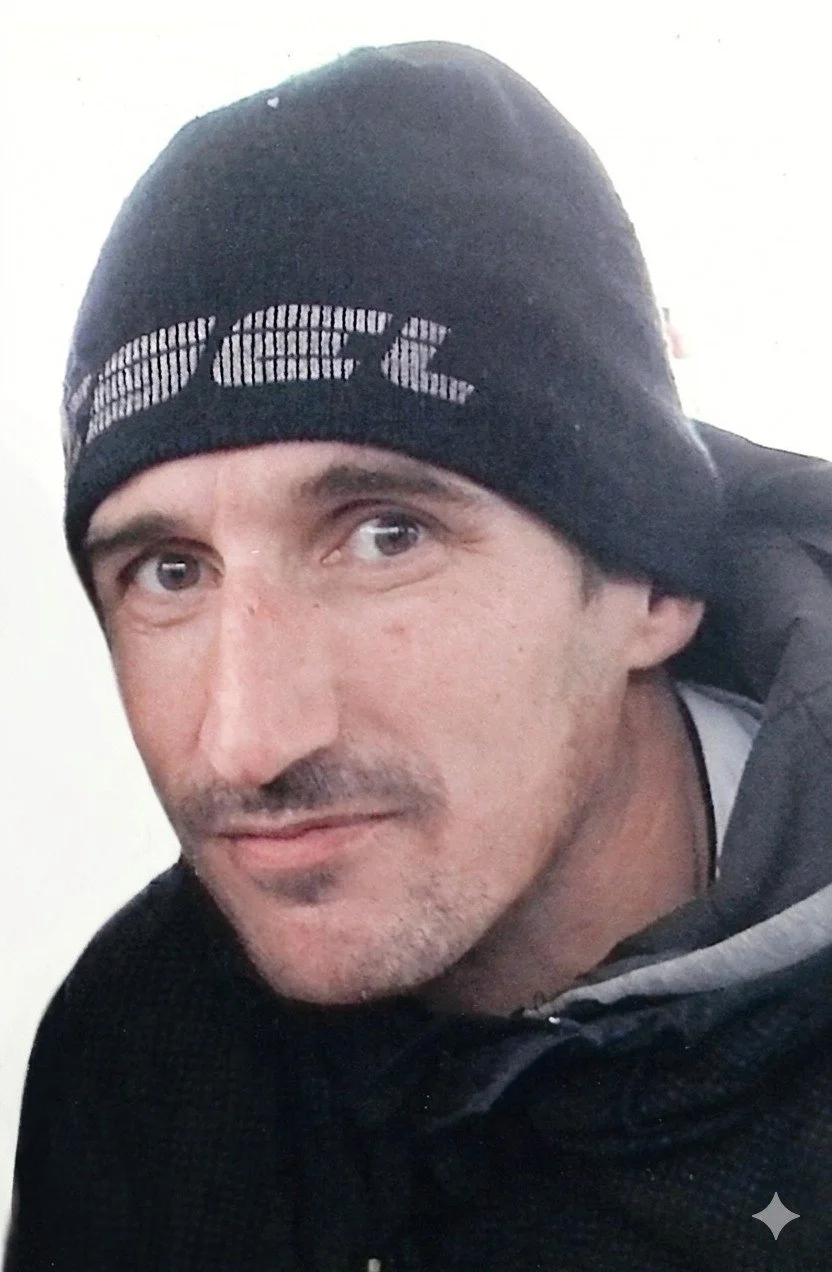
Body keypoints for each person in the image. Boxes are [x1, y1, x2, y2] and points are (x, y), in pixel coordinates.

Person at [6, 41, 832, 1272]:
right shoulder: (142, 1040)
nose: (249, 741)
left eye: (385, 536)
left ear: (653, 582)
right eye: (170, 572)